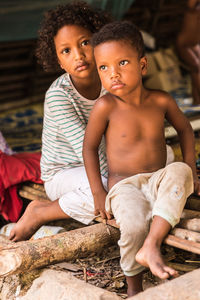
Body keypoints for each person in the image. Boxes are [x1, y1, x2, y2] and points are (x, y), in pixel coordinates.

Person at [83, 21, 200, 297]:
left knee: (180, 169)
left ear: (143, 65)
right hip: (125, 187)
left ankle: (152, 245)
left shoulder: (161, 100)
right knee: (133, 226)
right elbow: (88, 148)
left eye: (122, 62)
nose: (113, 73)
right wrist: (98, 192)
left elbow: (185, 129)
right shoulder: (105, 106)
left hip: (159, 179)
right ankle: (134, 287)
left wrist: (193, 171)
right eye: (104, 67)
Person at [9, 1, 112, 242]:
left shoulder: (112, 79)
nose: (78, 55)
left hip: (110, 161)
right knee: (112, 188)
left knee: (166, 157)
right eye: (66, 51)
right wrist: (118, 179)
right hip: (64, 172)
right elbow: (90, 150)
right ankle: (41, 212)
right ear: (58, 61)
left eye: (85, 42)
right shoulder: (59, 95)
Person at [175, 0, 200, 104]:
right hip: (184, 44)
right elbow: (191, 4)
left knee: (195, 71)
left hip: (194, 44)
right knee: (197, 67)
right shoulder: (192, 6)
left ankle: (197, 100)